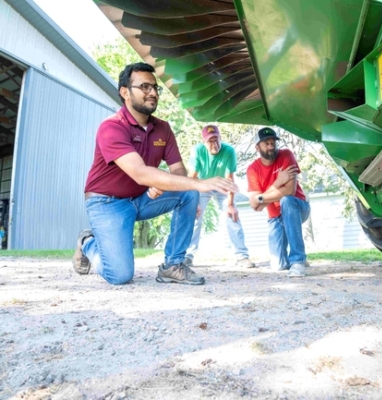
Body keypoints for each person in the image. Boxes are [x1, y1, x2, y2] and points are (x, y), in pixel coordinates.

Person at [72, 62, 238, 286]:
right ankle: (88, 242)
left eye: (155, 88)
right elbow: (140, 173)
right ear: (125, 92)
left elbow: (178, 170)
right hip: (107, 203)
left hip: (142, 199)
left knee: (187, 190)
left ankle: (173, 265)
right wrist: (199, 184)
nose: (153, 93)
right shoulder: (111, 127)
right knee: (120, 275)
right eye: (144, 87)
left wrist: (178, 184)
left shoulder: (163, 128)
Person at [185, 125, 254, 268]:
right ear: (204, 142)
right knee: (194, 216)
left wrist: (230, 205)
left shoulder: (229, 151)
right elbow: (191, 179)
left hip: (222, 185)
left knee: (231, 215)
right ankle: (187, 256)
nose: (215, 144)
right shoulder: (197, 151)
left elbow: (229, 179)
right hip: (202, 185)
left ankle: (242, 256)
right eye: (210, 141)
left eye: (217, 139)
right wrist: (194, 203)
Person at [246, 127, 310, 277]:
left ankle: (298, 261)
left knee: (286, 201)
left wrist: (261, 198)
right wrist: (278, 182)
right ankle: (288, 260)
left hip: (298, 207)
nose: (271, 146)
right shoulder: (252, 170)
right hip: (276, 217)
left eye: (273, 142)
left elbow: (289, 192)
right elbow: (254, 205)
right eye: (266, 143)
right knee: (278, 265)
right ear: (257, 147)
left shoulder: (286, 155)